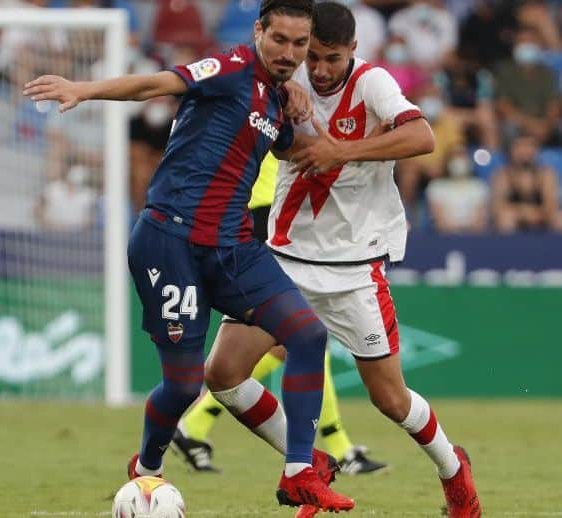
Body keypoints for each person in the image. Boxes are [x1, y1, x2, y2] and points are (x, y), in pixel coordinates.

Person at [24, 0, 356, 512]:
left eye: (300, 44)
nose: (290, 53)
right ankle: (147, 471)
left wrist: (312, 119)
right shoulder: (228, 70)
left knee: (308, 335)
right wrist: (83, 89)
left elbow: (300, 151)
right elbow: (156, 83)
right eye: (280, 40)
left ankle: (299, 472)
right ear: (258, 31)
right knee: (181, 386)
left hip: (232, 246)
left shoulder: (275, 100)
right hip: (170, 241)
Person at [198, 3, 480, 517]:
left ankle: (453, 470)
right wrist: (288, 92)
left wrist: (340, 151)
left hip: (355, 269)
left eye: (331, 58)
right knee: (223, 374)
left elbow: (423, 137)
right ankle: (308, 465)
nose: (320, 69)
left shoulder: (373, 85)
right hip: (284, 261)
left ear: (353, 50)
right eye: (313, 57)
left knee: (391, 401)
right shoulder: (287, 79)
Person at [173, 151, 388, 476]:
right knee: (304, 335)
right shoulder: (277, 104)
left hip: (266, 213)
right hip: (272, 216)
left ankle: (194, 427)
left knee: (293, 340)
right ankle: (340, 449)